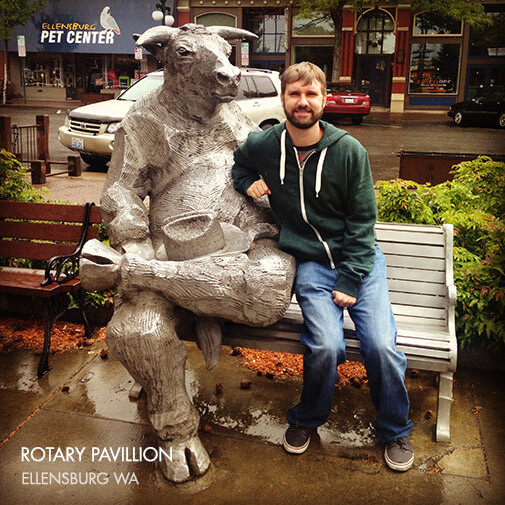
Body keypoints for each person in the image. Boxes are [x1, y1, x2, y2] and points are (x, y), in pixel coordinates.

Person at [232, 61, 414, 472]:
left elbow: (363, 223)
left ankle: (395, 430)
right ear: (283, 98)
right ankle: (307, 420)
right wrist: (248, 183)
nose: (302, 102)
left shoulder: (349, 152)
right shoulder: (266, 144)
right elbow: (239, 163)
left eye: (311, 94)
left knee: (381, 347)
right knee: (326, 346)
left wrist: (350, 278)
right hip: (312, 265)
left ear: (323, 99)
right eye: (294, 94)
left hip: (360, 264)